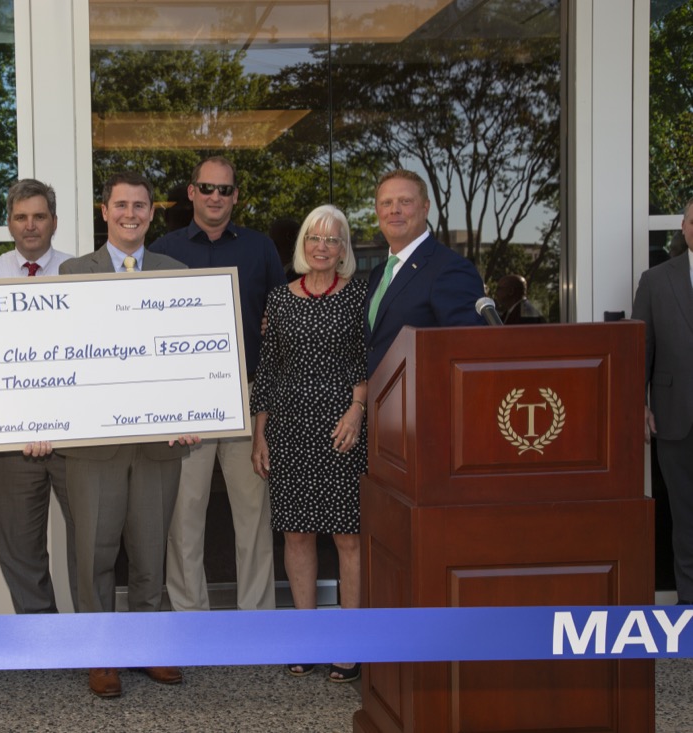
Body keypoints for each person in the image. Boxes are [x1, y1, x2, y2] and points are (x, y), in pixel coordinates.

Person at [58, 172, 197, 698]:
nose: (130, 214)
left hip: (160, 443)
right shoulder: (72, 273)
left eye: (140, 205)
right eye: (121, 205)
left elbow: (191, 355)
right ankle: (100, 651)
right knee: (92, 550)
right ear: (104, 210)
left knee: (149, 548)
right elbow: (55, 353)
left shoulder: (177, 273)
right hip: (93, 446)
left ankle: (147, 644)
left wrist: (194, 414)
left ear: (152, 213)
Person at [150, 156, 285, 614]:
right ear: (191, 192)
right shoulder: (162, 250)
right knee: (184, 515)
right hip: (185, 400)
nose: (214, 197)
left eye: (224, 190)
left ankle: (256, 620)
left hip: (246, 394)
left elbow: (280, 316)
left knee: (253, 515)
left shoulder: (260, 248)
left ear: (235, 197)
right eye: (206, 188)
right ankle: (192, 619)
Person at [250, 204, 368, 683]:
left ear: (344, 250)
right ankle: (304, 634)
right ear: (303, 244)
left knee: (347, 536)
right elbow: (269, 369)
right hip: (290, 427)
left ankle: (349, 638)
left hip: (342, 427)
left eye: (333, 239)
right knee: (297, 534)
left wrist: (358, 410)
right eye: (315, 238)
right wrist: (260, 432)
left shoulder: (359, 296)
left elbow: (364, 358)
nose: (323, 246)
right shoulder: (280, 299)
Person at [0, 179, 77, 614]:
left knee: (90, 540)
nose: (30, 226)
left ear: (54, 222)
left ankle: (93, 637)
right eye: (21, 217)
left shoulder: (81, 272)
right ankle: (45, 635)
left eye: (39, 216)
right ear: (8, 224)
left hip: (76, 433)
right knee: (19, 545)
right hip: (10, 436)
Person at [364, 169, 485, 378]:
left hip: (424, 406)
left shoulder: (450, 269)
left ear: (425, 208)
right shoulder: (378, 274)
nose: (395, 210)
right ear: (377, 211)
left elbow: (470, 353)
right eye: (386, 203)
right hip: (381, 405)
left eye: (405, 201)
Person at [632, 196, 693, 605]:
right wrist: (639, 403)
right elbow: (641, 349)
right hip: (677, 419)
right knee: (686, 524)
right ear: (684, 228)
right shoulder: (655, 281)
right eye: (692, 220)